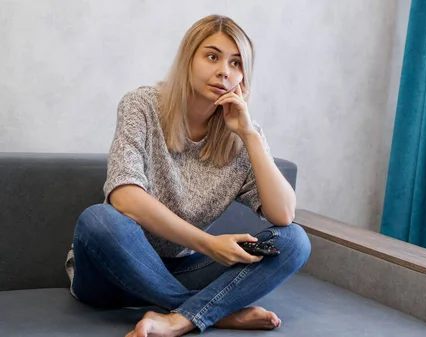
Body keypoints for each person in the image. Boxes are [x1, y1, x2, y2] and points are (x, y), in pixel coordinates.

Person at [64, 14, 311, 337]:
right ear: (188, 60)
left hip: (182, 270)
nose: (224, 70)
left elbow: (283, 214)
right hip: (109, 276)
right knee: (99, 220)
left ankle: (180, 316)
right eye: (212, 56)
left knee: (294, 241)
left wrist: (250, 135)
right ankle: (211, 312)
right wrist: (209, 244)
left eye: (236, 64)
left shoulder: (241, 133)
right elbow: (125, 197)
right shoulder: (141, 105)